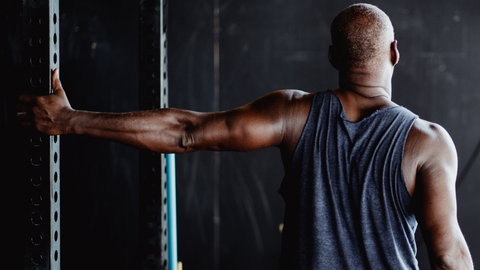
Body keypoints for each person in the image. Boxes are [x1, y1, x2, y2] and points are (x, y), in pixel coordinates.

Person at [17, 3, 473, 269]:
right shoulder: (427, 143)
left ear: (332, 55)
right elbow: (449, 257)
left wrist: (70, 120)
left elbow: (186, 132)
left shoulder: (292, 115)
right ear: (395, 53)